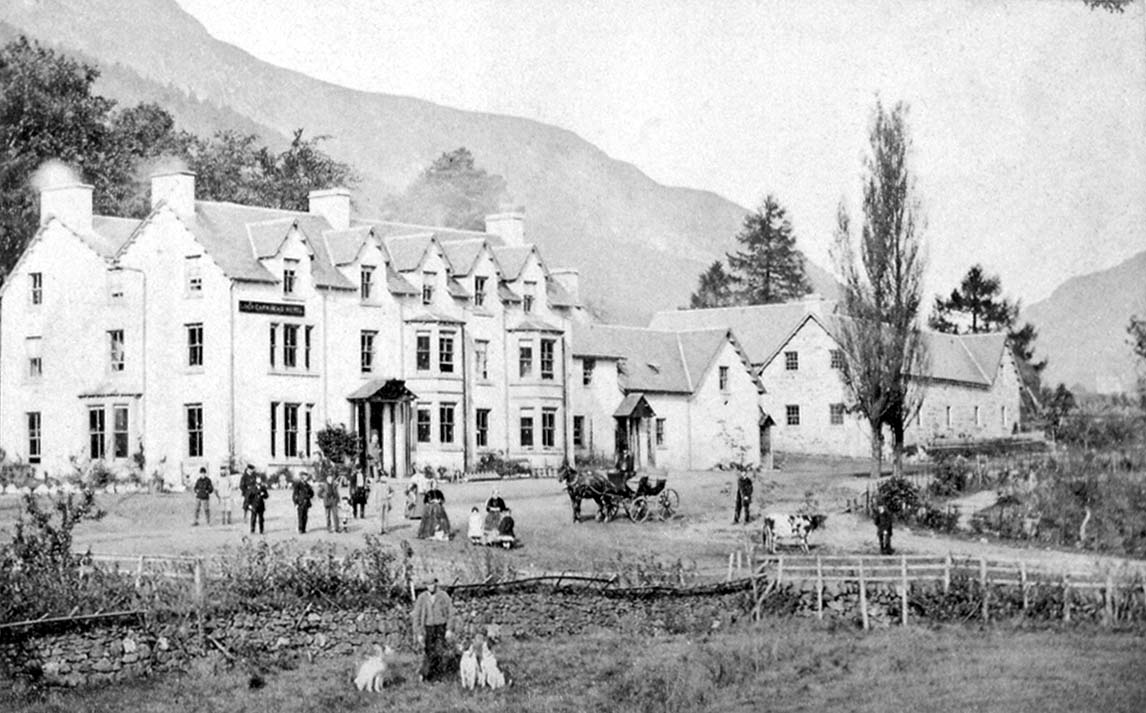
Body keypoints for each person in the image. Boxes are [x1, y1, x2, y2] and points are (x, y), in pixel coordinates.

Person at [411, 578, 455, 682]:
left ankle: (438, 677)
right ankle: (426, 675)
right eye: (428, 584)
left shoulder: (443, 595)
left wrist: (449, 629)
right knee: (429, 652)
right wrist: (418, 633)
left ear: (436, 584)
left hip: (441, 626)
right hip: (428, 627)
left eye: (432, 584)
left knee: (439, 651)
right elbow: (417, 615)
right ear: (426, 585)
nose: (430, 586)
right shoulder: (422, 598)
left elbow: (451, 613)